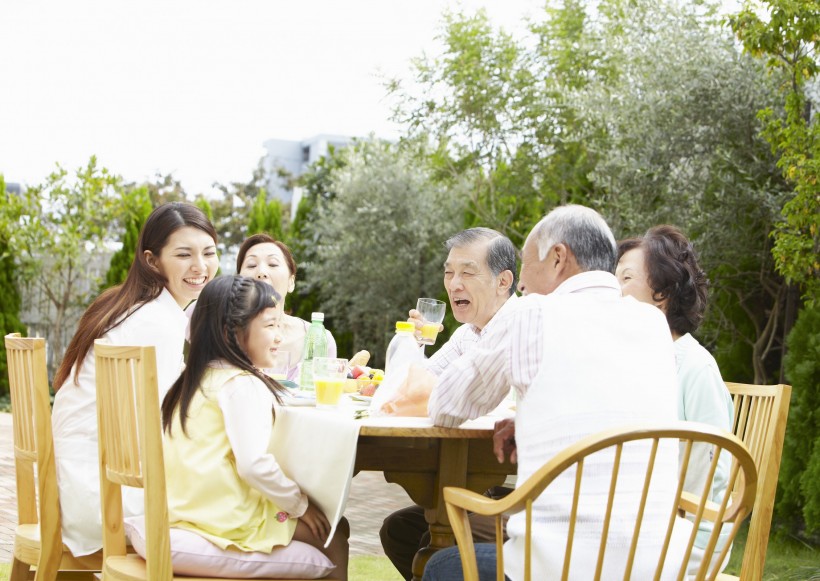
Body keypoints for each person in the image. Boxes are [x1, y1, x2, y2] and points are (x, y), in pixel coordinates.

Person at [421, 205, 692, 580]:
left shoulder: (532, 313)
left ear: (558, 257)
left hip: (561, 568)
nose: (521, 286)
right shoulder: (651, 322)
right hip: (654, 567)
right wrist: (529, 420)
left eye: (527, 268)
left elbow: (445, 406)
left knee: (441, 565)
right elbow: (609, 403)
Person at [52, 202, 220, 556]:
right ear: (152, 260)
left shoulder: (130, 306)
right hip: (106, 498)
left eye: (209, 252)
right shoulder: (155, 321)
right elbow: (169, 424)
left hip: (81, 484)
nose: (200, 267)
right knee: (250, 509)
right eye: (183, 254)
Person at [161, 275, 348, 579]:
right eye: (270, 325)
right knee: (334, 535)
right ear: (231, 332)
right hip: (224, 516)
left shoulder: (195, 378)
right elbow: (254, 465)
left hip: (188, 508)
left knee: (329, 526)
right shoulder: (241, 384)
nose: (279, 337)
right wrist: (299, 505)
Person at [380, 227, 518, 580]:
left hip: (522, 491)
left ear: (503, 282)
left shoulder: (519, 328)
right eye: (448, 272)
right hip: (475, 482)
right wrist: (416, 344)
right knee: (399, 529)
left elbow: (440, 400)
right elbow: (417, 387)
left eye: (467, 272)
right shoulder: (467, 332)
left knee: (438, 536)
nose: (454, 283)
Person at [617, 224, 735, 573]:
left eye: (625, 279)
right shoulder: (631, 363)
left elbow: (705, 480)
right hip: (636, 528)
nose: (613, 291)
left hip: (684, 542)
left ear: (663, 292)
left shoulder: (695, 368)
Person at [236, 233, 336, 380]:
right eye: (251, 265)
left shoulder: (321, 339)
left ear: (291, 282)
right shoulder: (222, 334)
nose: (261, 273)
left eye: (273, 264)